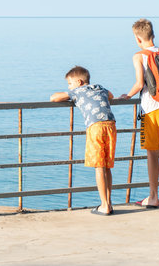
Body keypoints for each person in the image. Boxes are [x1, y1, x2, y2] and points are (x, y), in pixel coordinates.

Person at [120, 18, 159, 208]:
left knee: (152, 154)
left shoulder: (139, 56)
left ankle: (152, 197)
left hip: (150, 109)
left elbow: (139, 83)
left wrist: (126, 96)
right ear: (153, 35)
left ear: (138, 38)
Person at [50, 66, 117, 216]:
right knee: (107, 166)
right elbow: (111, 96)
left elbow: (54, 98)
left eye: (69, 83)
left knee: (99, 166)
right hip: (111, 125)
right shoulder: (99, 87)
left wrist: (71, 94)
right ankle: (109, 202)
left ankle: (104, 206)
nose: (69, 87)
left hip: (96, 127)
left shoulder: (77, 91)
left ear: (79, 82)